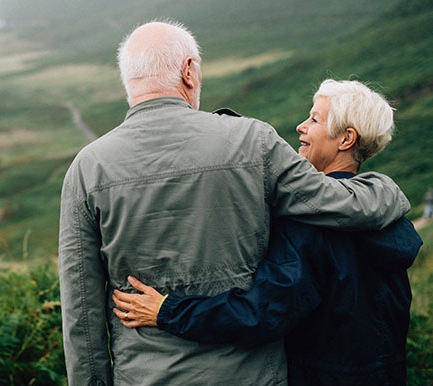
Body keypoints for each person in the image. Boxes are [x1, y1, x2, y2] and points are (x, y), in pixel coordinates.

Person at [58, 20, 412, 386]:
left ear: (128, 80)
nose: (303, 127)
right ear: (189, 71)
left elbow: (80, 311)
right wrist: (387, 191)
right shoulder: (253, 142)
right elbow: (338, 203)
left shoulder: (87, 168)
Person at [111, 79, 422, 385]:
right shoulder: (389, 217)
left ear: (346, 139)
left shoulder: (312, 225)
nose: (301, 127)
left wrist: (168, 311)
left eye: (314, 119)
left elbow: (262, 313)